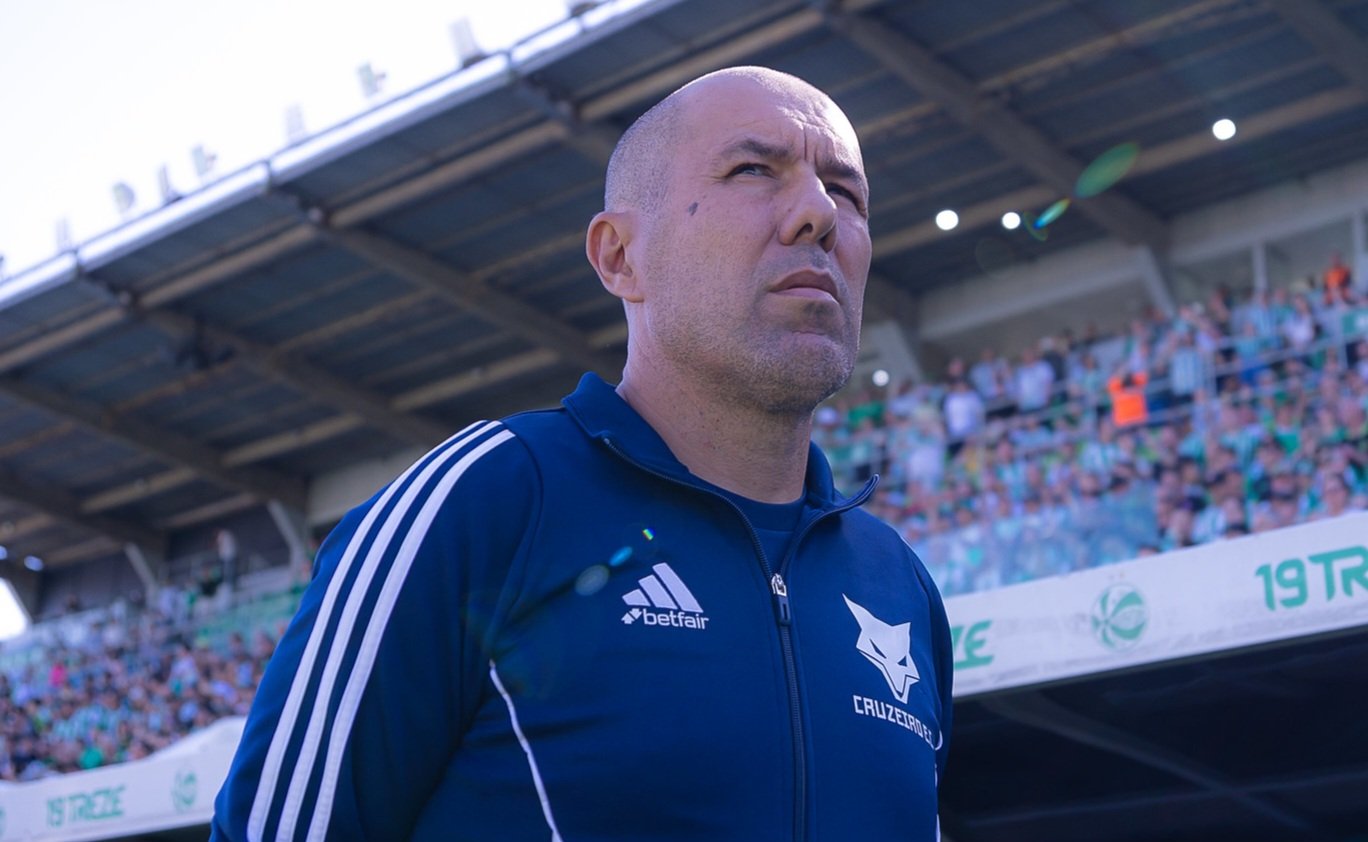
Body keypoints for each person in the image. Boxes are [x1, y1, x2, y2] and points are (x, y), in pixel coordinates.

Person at [211, 66, 953, 841]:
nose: (817, 214)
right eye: (754, 170)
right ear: (619, 257)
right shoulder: (485, 503)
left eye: (848, 193)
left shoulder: (897, 583)